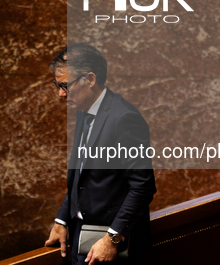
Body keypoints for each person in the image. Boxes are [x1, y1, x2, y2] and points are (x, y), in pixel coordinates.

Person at [44, 43, 156, 265]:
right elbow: (81, 176)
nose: (60, 93)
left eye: (65, 85)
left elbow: (143, 187)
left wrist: (112, 239)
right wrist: (62, 219)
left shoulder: (124, 118)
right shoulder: (84, 110)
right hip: (80, 238)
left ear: (90, 79)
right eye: (57, 85)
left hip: (112, 247)